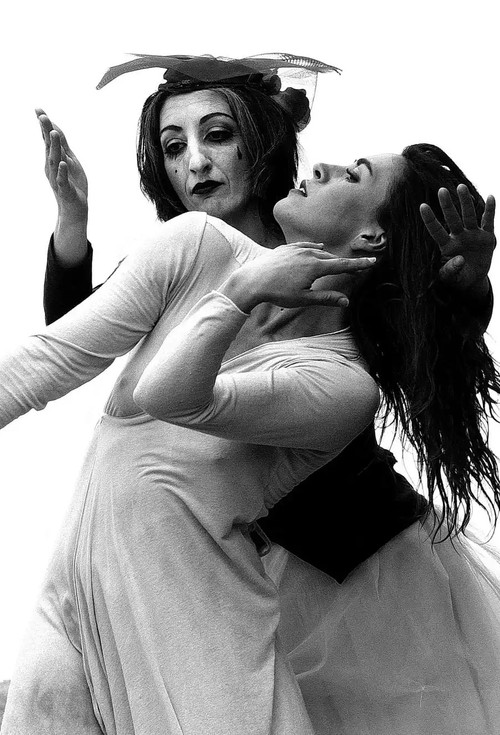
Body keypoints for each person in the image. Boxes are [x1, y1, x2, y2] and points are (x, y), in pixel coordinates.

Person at [0, 141, 498, 735]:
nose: (322, 166)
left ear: (372, 238)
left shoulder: (344, 381)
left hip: (217, 616)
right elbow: (47, 360)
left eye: (352, 175)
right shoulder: (195, 243)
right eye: (174, 145)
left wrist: (240, 293)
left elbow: (168, 395)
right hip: (78, 582)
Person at [38, 54, 495, 582]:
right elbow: (72, 339)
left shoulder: (323, 242)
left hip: (357, 547)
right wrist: (72, 218)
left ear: (261, 142)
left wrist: (465, 284)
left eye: (217, 135)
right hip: (236, 553)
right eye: (173, 147)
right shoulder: (178, 260)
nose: (196, 163)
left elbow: (420, 325)